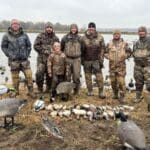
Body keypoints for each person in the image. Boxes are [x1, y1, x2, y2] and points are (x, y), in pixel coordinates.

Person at [1, 19, 35, 97]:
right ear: (11, 25)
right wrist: (9, 55)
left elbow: (29, 46)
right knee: (15, 78)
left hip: (24, 61)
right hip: (13, 61)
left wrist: (26, 54)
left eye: (16, 24)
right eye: (13, 24)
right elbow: (3, 47)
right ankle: (16, 92)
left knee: (29, 76)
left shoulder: (24, 35)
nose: (15, 25)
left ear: (19, 25)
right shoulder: (6, 35)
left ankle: (31, 91)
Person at [105, 30, 131, 103]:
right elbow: (104, 52)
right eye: (115, 34)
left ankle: (122, 97)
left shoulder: (124, 43)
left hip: (121, 66)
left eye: (117, 34)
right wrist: (108, 56)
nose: (116, 35)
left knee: (121, 82)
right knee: (113, 81)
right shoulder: (109, 43)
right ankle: (115, 94)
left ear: (120, 35)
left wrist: (125, 56)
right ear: (113, 35)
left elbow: (129, 52)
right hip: (112, 66)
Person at [81, 22, 105, 99]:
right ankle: (90, 91)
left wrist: (101, 60)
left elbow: (102, 49)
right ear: (88, 28)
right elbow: (81, 50)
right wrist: (82, 60)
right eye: (90, 28)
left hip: (96, 61)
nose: (91, 29)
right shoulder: (83, 38)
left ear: (95, 28)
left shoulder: (100, 37)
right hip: (86, 60)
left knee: (99, 77)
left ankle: (101, 92)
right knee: (87, 77)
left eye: (93, 28)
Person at [34, 22, 59, 93]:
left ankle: (48, 88)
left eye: (50, 28)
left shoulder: (55, 38)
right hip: (41, 60)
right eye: (47, 27)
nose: (49, 29)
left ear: (52, 29)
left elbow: (58, 48)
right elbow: (35, 46)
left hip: (52, 60)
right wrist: (44, 51)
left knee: (49, 75)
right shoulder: (40, 36)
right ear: (45, 28)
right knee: (39, 73)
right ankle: (40, 88)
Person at [61, 24, 81, 95]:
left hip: (77, 59)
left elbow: (83, 48)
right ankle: (67, 91)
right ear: (70, 29)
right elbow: (61, 47)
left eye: (75, 28)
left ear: (77, 29)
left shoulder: (80, 38)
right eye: (72, 28)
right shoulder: (65, 37)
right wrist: (63, 53)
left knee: (76, 76)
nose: (73, 29)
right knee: (67, 76)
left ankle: (76, 90)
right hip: (68, 59)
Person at [133, 26, 150, 102]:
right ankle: (138, 98)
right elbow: (133, 53)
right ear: (138, 33)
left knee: (149, 83)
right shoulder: (136, 43)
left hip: (147, 66)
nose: (141, 33)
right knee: (138, 82)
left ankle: (148, 99)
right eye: (140, 31)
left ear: (145, 32)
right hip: (137, 66)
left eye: (143, 31)